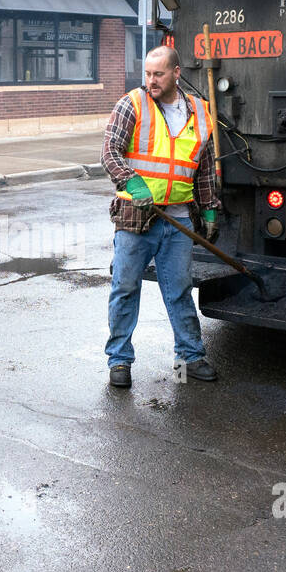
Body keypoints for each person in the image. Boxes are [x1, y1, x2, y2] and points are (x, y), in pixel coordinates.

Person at [101, 46, 221, 388]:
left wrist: (210, 209)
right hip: (135, 218)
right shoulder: (132, 104)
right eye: (148, 74)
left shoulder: (198, 111)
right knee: (125, 287)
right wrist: (132, 182)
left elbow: (204, 169)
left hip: (178, 219)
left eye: (158, 74)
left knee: (180, 289)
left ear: (176, 73)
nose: (151, 81)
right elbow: (110, 152)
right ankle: (120, 361)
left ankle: (190, 356)